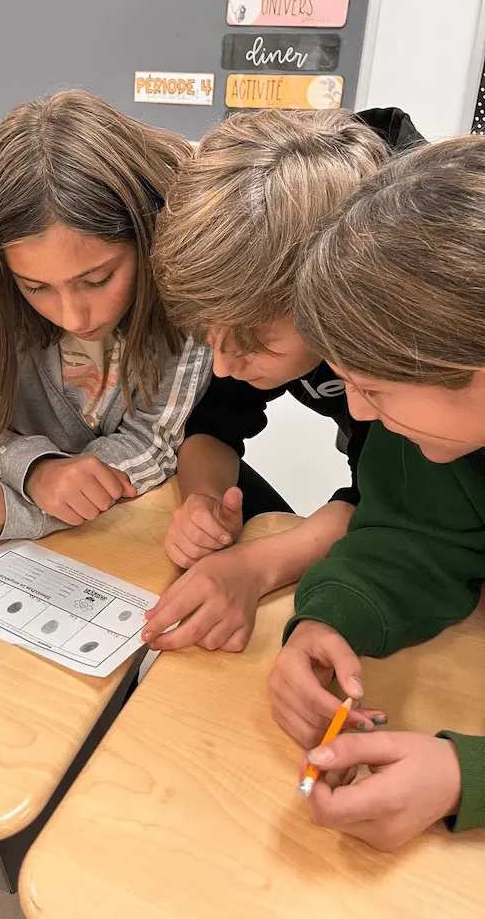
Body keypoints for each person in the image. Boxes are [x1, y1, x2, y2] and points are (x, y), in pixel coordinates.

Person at [270, 135, 485, 850]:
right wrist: (326, 621)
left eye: (375, 389)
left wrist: (466, 775)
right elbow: (414, 537)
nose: (356, 413)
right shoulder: (435, 435)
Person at [143, 107, 425, 654]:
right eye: (206, 335)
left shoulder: (400, 330)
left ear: (334, 296)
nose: (224, 364)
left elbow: (395, 500)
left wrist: (258, 564)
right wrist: (202, 502)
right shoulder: (258, 282)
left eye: (252, 343)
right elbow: (215, 418)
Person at [0, 90, 211, 539]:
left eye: (97, 280)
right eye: (35, 288)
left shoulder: (187, 292)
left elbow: (151, 445)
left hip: (129, 528)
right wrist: (37, 473)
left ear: (147, 236)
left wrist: (30, 507)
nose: (74, 317)